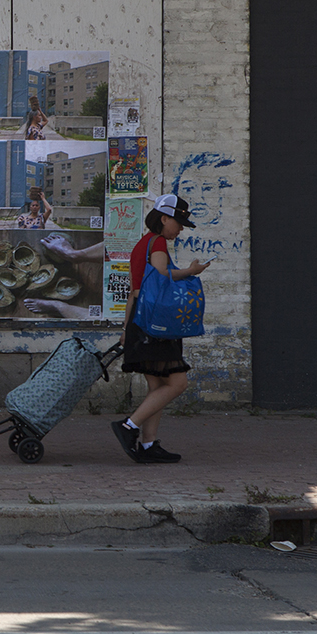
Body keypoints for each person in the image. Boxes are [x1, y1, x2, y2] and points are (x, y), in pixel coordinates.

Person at [109, 194, 208, 463]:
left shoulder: (142, 244)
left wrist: (127, 328)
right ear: (164, 218)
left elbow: (134, 292)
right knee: (177, 383)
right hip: (157, 325)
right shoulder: (158, 242)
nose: (180, 229)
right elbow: (163, 275)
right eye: (178, 223)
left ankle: (149, 444)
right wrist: (191, 271)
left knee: (158, 387)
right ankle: (128, 426)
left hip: (140, 322)